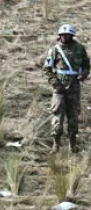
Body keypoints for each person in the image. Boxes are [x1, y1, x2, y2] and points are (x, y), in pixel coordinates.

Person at [44, 24, 90, 153]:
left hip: (74, 87)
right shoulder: (55, 49)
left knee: (73, 116)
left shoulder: (80, 49)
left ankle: (72, 145)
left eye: (67, 35)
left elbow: (86, 64)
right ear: (59, 35)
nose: (64, 37)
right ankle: (56, 145)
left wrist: (84, 74)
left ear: (71, 36)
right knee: (57, 115)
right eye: (62, 35)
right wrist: (55, 83)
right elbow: (47, 69)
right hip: (59, 87)